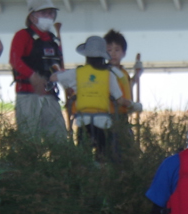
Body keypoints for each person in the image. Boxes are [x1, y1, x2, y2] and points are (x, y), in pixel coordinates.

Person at [53, 32, 139, 161]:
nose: (113, 53)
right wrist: (134, 105)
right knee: (105, 152)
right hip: (107, 118)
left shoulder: (117, 73)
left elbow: (56, 78)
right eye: (109, 50)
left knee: (89, 153)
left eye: (117, 49)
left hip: (99, 118)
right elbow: (118, 98)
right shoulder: (107, 73)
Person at [9, 2, 63, 141]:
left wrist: (66, 82)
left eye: (51, 13)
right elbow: (15, 60)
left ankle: (61, 162)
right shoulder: (23, 35)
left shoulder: (52, 40)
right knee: (30, 140)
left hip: (50, 95)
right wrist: (33, 76)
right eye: (43, 13)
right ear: (32, 17)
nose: (48, 16)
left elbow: (56, 66)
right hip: (27, 95)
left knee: (59, 138)